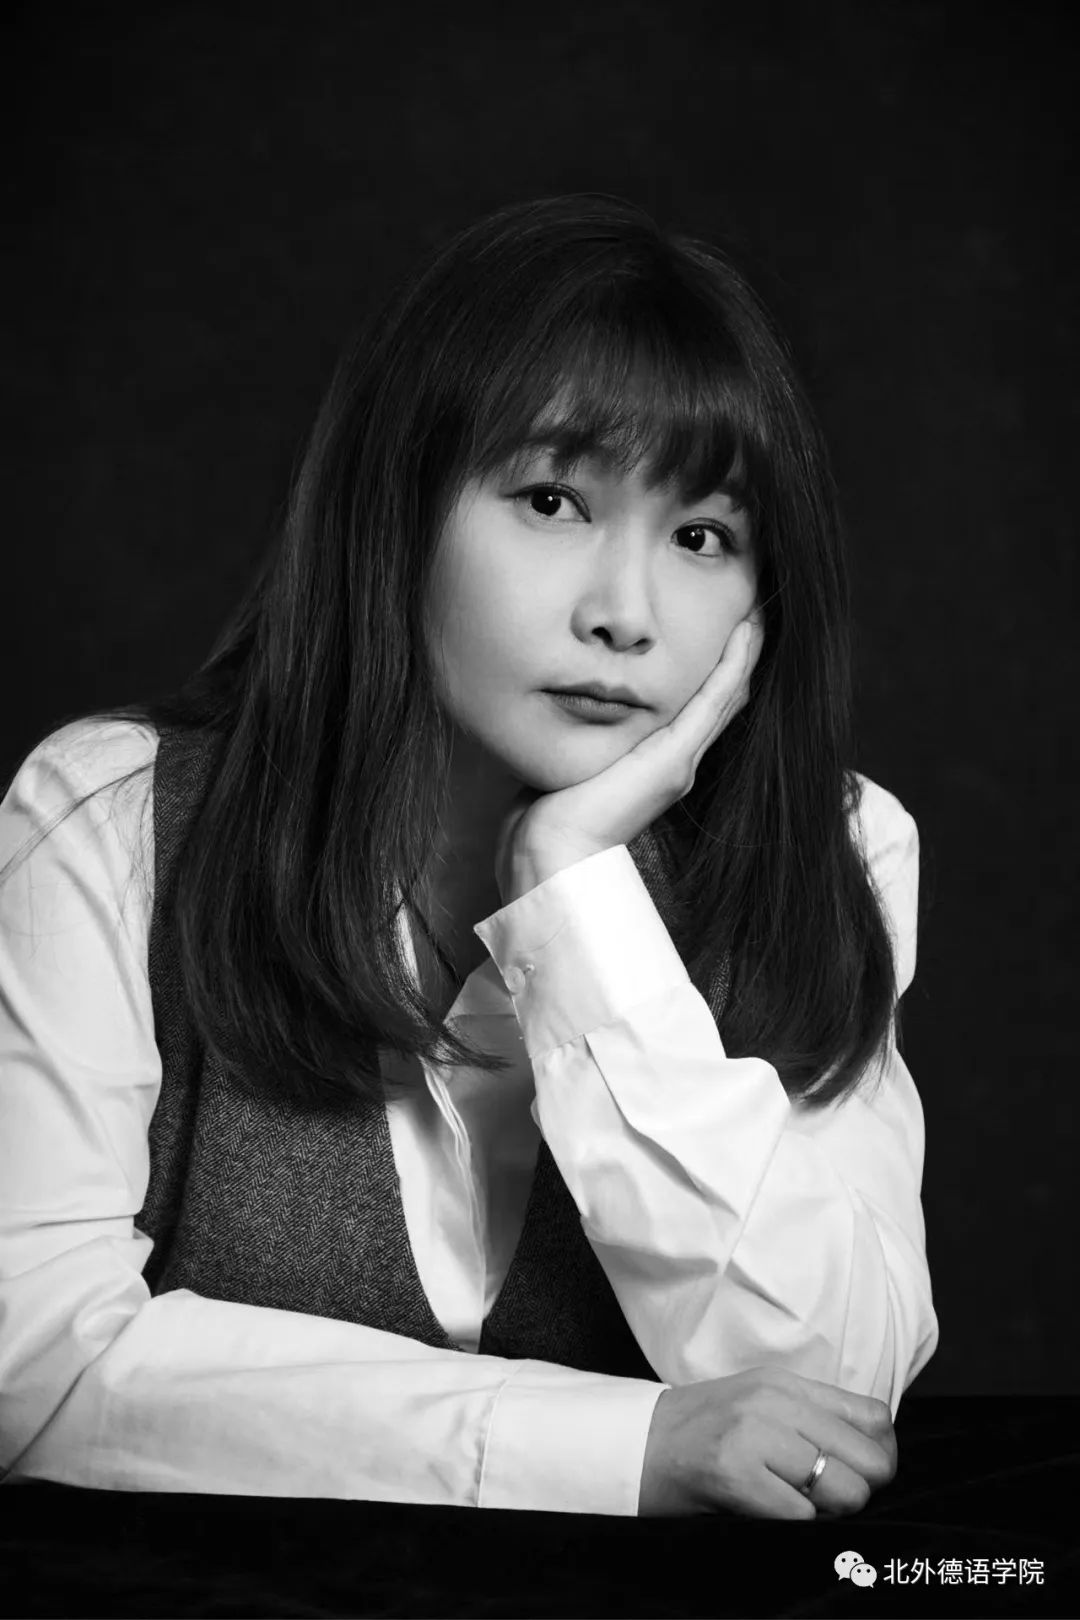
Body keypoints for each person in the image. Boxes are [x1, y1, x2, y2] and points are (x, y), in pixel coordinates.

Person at [0, 194, 937, 1520]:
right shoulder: (114, 815)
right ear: (397, 510)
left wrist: (576, 897)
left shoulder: (834, 851)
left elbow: (829, 1407)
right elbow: (30, 1363)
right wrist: (619, 1449)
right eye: (553, 500)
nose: (625, 614)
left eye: (702, 537)